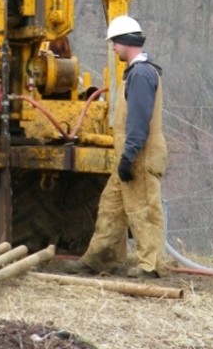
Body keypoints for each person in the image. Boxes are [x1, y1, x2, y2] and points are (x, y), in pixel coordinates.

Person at [65, 15, 168, 279]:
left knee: (144, 210)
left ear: (125, 42)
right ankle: (96, 261)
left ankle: (150, 266)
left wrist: (129, 155)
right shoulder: (135, 73)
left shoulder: (142, 74)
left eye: (114, 43)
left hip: (139, 157)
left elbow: (138, 121)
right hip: (129, 156)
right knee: (110, 208)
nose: (113, 48)